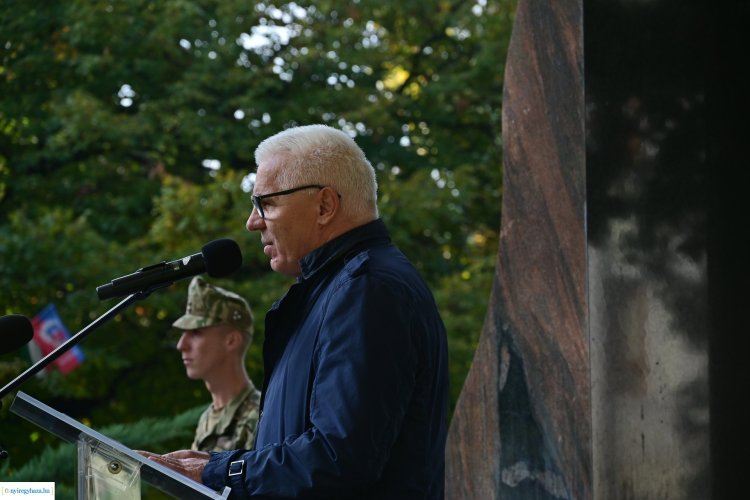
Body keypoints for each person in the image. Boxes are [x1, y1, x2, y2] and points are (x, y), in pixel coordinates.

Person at [141, 124, 449, 499]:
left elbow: (339, 458)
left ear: (324, 206)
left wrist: (221, 471)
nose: (252, 222)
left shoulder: (369, 290)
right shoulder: (336, 291)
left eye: (266, 204)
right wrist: (223, 464)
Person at [173, 276, 261, 452]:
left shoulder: (261, 417)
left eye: (195, 333)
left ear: (231, 340)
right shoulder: (207, 419)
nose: (181, 345)